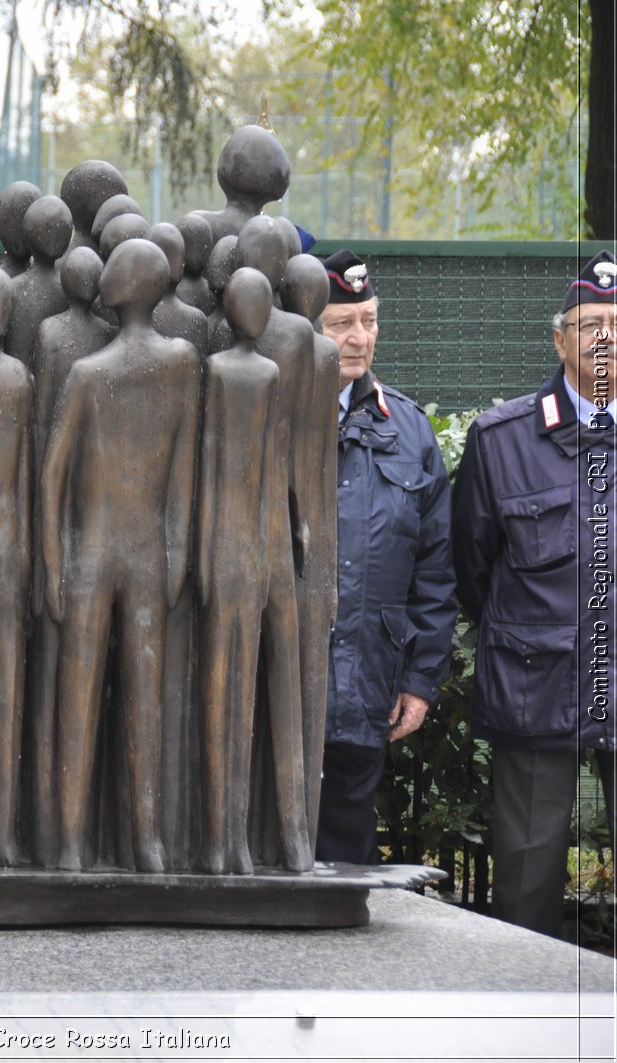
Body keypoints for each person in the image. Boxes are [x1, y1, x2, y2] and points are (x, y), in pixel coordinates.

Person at [452, 251, 617, 936]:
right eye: (589, 326)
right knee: (525, 882)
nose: (606, 339)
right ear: (559, 339)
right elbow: (472, 570)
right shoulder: (502, 441)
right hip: (533, 686)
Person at [316, 249, 457, 865]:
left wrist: (421, 680)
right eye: (340, 323)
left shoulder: (409, 430)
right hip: (275, 683)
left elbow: (435, 569)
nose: (358, 338)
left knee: (345, 859)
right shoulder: (266, 416)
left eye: (369, 320)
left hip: (366, 684)